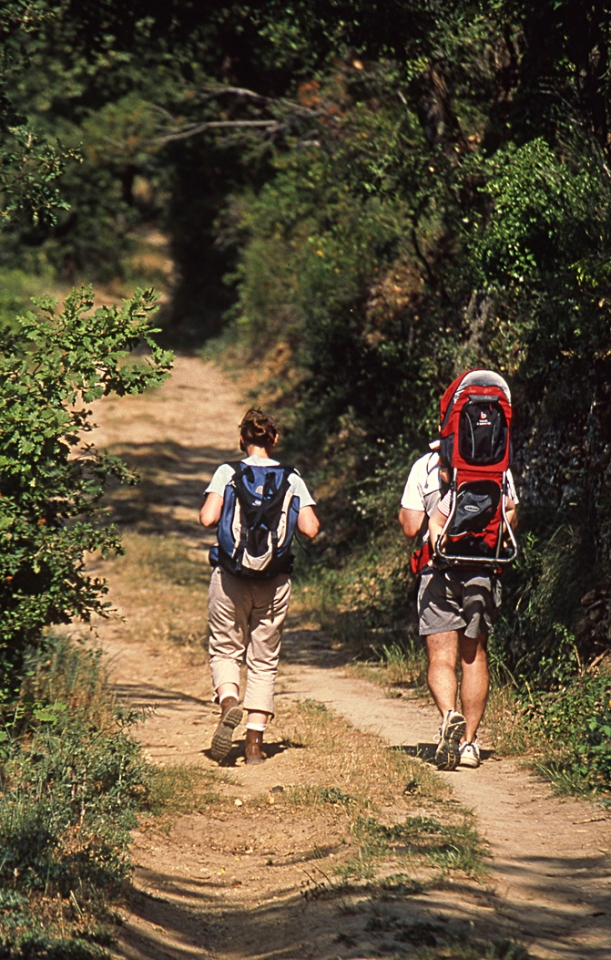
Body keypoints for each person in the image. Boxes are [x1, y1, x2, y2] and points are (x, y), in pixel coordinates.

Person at [200, 408, 319, 765]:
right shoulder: (292, 477)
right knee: (264, 661)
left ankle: (229, 703)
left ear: (242, 439)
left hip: (231, 576)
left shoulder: (228, 472)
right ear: (275, 439)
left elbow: (207, 518)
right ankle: (254, 746)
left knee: (225, 649)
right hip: (274, 579)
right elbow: (311, 529)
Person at [398, 443, 518, 770]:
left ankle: (449, 716)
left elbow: (411, 527)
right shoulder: (497, 467)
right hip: (483, 571)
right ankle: (468, 743)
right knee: (474, 656)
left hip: (438, 570)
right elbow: (511, 515)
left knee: (440, 657)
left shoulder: (425, 465)